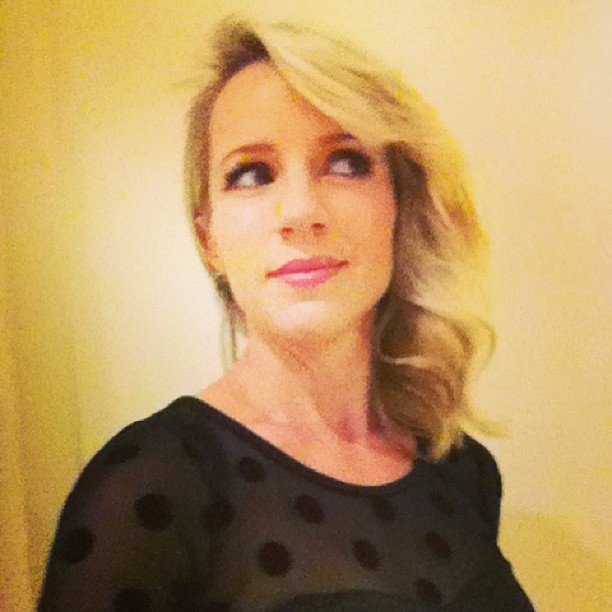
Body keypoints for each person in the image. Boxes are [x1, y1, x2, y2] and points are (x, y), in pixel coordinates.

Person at [39, 17, 535, 611]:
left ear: (398, 206)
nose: (300, 211)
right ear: (210, 240)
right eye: (251, 174)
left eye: (345, 162)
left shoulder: (461, 470)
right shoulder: (150, 490)